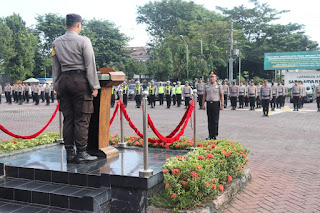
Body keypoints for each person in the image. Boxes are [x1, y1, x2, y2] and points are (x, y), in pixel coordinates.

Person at [52, 13, 100, 163]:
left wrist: (56, 85)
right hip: (80, 81)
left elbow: (55, 66)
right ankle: (81, 153)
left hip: (64, 81)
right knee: (82, 119)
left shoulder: (56, 42)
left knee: (68, 119)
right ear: (79, 25)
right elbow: (89, 64)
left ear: (66, 24)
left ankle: (69, 154)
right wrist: (94, 85)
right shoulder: (84, 41)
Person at [202, 72, 224, 140]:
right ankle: (210, 135)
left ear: (216, 78)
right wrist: (203, 104)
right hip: (209, 103)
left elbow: (221, 95)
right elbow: (204, 95)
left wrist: (222, 104)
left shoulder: (219, 86)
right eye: (210, 77)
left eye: (213, 77)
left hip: (216, 103)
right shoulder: (206, 86)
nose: (211, 78)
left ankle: (215, 135)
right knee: (209, 120)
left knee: (215, 120)